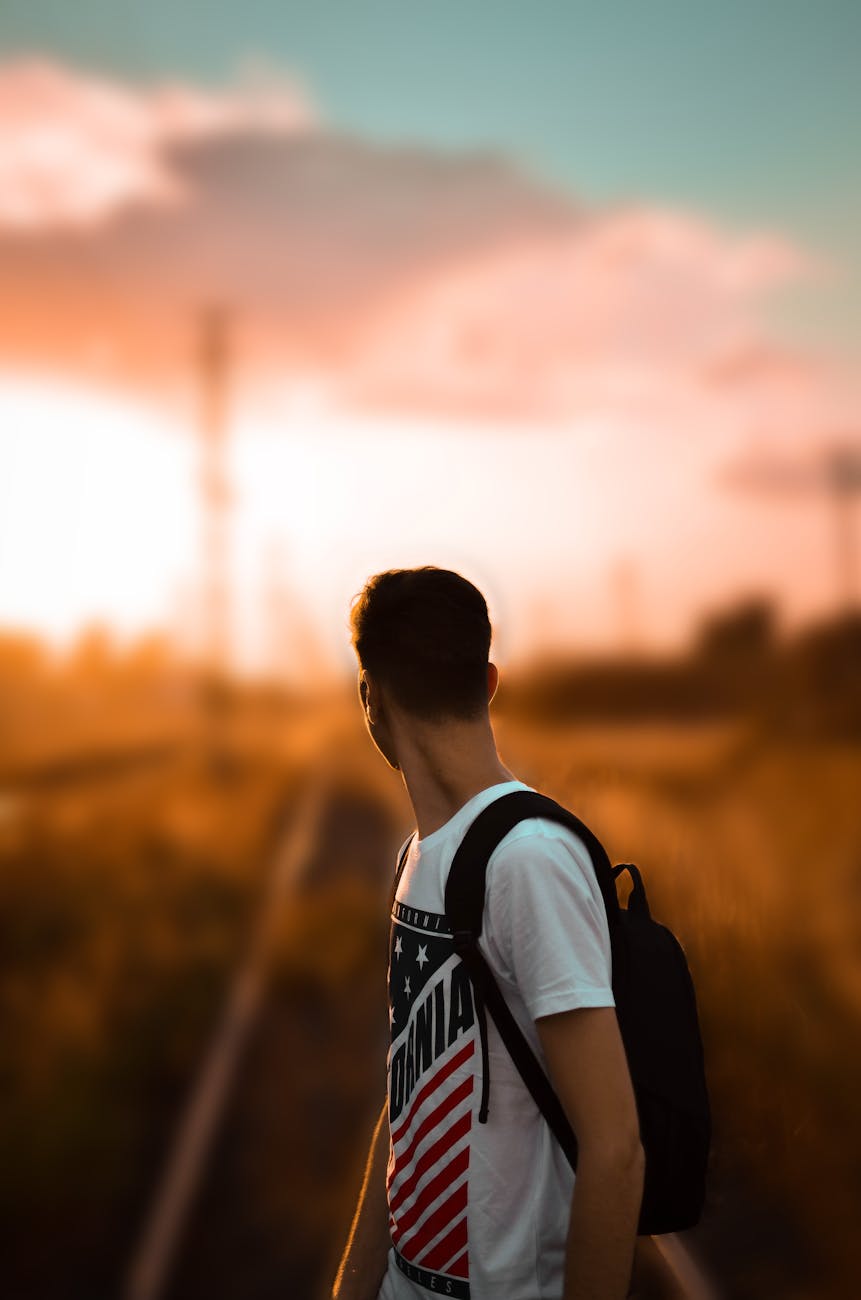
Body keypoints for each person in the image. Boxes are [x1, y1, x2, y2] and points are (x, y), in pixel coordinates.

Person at [333, 566, 646, 1300]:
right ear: (489, 681)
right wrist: (355, 1283)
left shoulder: (529, 860)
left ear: (370, 697)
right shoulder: (419, 857)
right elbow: (405, 1091)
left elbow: (615, 1151)